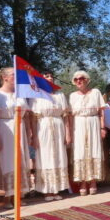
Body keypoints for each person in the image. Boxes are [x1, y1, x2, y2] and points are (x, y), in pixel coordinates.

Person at [0, 68, 32, 201]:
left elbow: (26, 116)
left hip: (20, 128)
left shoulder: (20, 94)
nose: (16, 77)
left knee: (20, 159)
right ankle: (6, 195)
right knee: (6, 160)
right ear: (5, 77)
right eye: (13, 75)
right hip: (5, 128)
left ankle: (18, 194)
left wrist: (29, 132)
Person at [31, 72, 71, 201]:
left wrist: (68, 133)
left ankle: (57, 189)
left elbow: (65, 117)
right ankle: (47, 190)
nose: (50, 78)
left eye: (51, 76)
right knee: (45, 156)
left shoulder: (59, 95)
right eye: (46, 76)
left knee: (59, 156)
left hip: (58, 127)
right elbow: (33, 118)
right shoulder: (36, 94)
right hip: (43, 127)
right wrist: (34, 136)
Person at [69, 70, 106, 195]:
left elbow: (101, 112)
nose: (79, 81)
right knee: (80, 152)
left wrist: (102, 128)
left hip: (93, 122)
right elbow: (69, 115)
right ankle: (83, 182)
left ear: (87, 80)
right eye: (76, 79)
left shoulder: (96, 93)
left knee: (93, 149)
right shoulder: (72, 96)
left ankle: (93, 181)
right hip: (78, 124)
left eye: (81, 78)